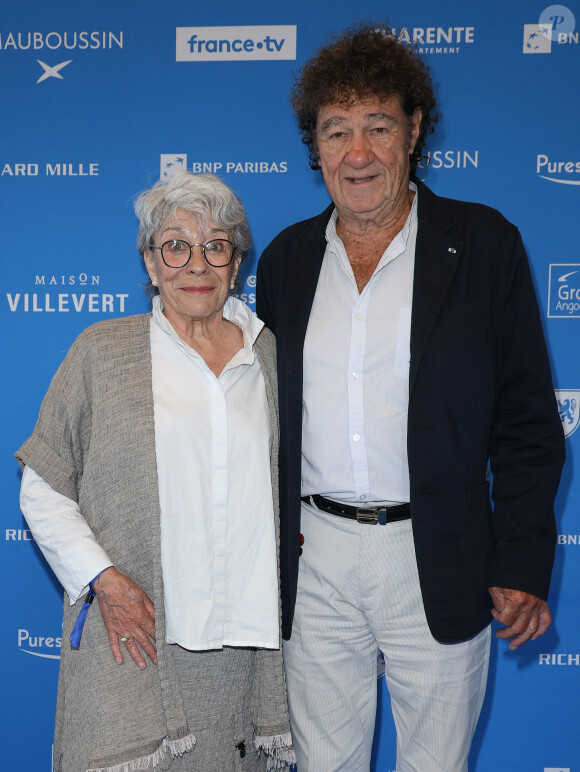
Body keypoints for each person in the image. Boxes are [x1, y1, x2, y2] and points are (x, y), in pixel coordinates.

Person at [256, 23, 565, 772]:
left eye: (377, 127)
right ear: (315, 148)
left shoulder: (485, 244)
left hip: (437, 553)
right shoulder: (286, 260)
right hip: (314, 556)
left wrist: (522, 561)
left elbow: (527, 421)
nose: (356, 154)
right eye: (336, 132)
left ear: (415, 130)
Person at [16, 170, 294, 772]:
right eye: (175, 245)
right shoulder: (101, 351)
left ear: (236, 263)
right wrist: (105, 581)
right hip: (132, 632)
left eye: (215, 246)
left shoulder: (269, 355)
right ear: (149, 261)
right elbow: (42, 485)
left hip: (238, 654)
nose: (196, 264)